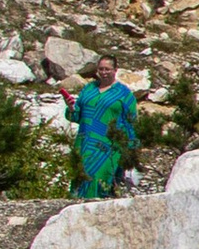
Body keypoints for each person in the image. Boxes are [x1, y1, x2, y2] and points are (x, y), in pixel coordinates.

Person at [59, 54, 139, 199]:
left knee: (100, 180)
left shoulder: (124, 94)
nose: (104, 72)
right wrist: (71, 108)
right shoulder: (89, 89)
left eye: (107, 69)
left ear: (116, 70)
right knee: (80, 178)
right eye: (101, 69)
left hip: (108, 147)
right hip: (84, 144)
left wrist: (131, 151)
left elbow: (131, 122)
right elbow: (76, 116)